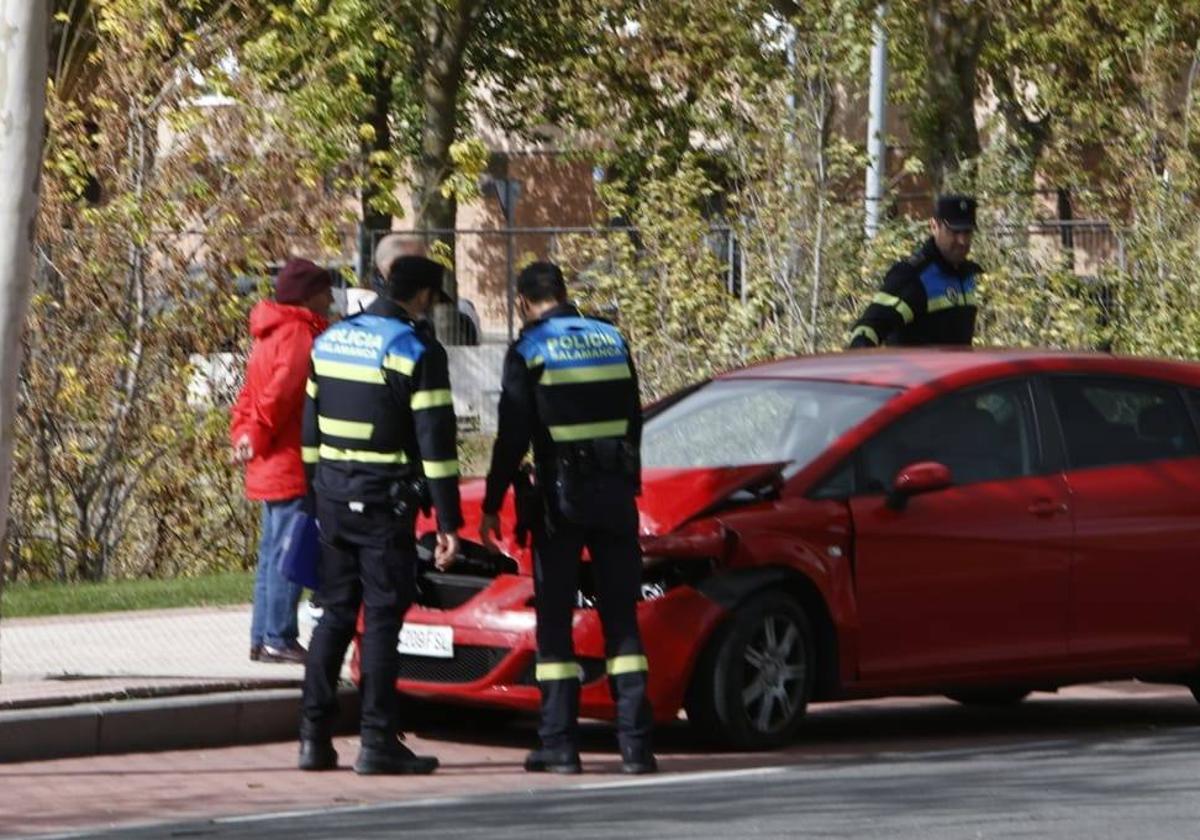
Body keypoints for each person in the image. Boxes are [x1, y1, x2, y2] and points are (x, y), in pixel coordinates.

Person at [479, 261, 656, 775]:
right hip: (616, 492)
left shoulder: (530, 349)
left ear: (522, 302)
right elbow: (633, 418)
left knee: (555, 620)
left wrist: (492, 504)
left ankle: (559, 744)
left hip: (561, 499)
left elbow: (512, 437)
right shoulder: (611, 338)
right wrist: (630, 484)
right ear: (562, 291)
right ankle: (637, 747)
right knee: (622, 618)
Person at [297, 255, 462, 775]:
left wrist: (314, 497)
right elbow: (437, 443)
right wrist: (448, 521)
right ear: (422, 297)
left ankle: (313, 739)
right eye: (434, 300)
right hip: (383, 504)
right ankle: (376, 742)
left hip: (332, 498)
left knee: (335, 615)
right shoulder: (415, 349)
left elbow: (309, 431)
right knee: (383, 623)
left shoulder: (331, 339)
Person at [230, 258, 333, 664]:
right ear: (309, 295)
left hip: (269, 457)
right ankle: (279, 636)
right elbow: (281, 395)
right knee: (292, 552)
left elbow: (250, 395)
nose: (331, 298)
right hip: (290, 458)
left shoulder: (269, 333)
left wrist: (243, 433)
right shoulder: (298, 334)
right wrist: (255, 434)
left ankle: (263, 636)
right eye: (325, 291)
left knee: (272, 552)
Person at [849, 194, 983, 348]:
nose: (963, 241)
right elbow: (870, 326)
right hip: (916, 371)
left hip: (956, 371)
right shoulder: (914, 276)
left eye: (967, 232)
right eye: (954, 232)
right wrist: (860, 361)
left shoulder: (966, 275)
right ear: (934, 226)